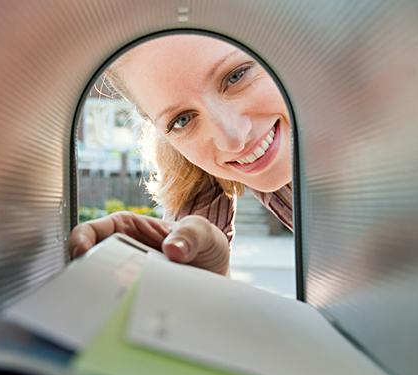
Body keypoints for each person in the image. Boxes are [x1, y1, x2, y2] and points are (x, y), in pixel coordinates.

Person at [70, 34, 293, 275]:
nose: (234, 140)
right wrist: (198, 278)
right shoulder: (194, 167)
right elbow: (193, 289)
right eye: (182, 120)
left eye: (236, 76)